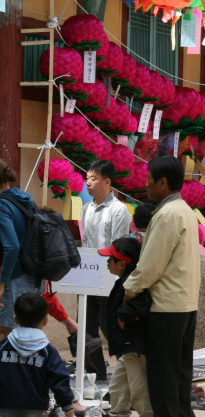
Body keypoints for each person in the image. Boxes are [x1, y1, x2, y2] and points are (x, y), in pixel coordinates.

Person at [123, 156, 201, 417]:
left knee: (163, 371)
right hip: (185, 302)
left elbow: (150, 265)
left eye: (149, 179)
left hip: (166, 304)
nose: (145, 184)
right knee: (180, 369)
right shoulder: (185, 211)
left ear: (163, 183)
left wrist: (128, 290)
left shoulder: (166, 214)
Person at [0, 293, 75, 417]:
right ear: (45, 321)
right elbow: (59, 377)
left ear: (15, 319)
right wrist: (66, 403)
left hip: (5, 403)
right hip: (34, 406)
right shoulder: (47, 350)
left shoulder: (4, 346)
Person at [95, 236, 153, 417]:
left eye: (110, 259)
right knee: (119, 384)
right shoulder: (125, 280)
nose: (107, 263)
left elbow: (143, 303)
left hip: (134, 345)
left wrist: (124, 314)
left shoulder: (132, 282)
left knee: (138, 387)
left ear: (122, 263)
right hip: (126, 346)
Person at [80, 159, 133, 379]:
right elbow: (85, 243)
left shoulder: (119, 210)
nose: (88, 183)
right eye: (87, 178)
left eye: (93, 178)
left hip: (109, 278)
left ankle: (127, 370)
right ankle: (94, 374)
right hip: (87, 276)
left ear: (108, 182)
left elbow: (118, 247)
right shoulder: (86, 209)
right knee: (86, 326)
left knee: (110, 326)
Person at [0, 160, 43, 342]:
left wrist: (2, 284)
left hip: (15, 277)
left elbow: (12, 247)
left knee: (7, 332)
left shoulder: (2, 205)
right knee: (24, 332)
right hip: (35, 275)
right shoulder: (24, 198)